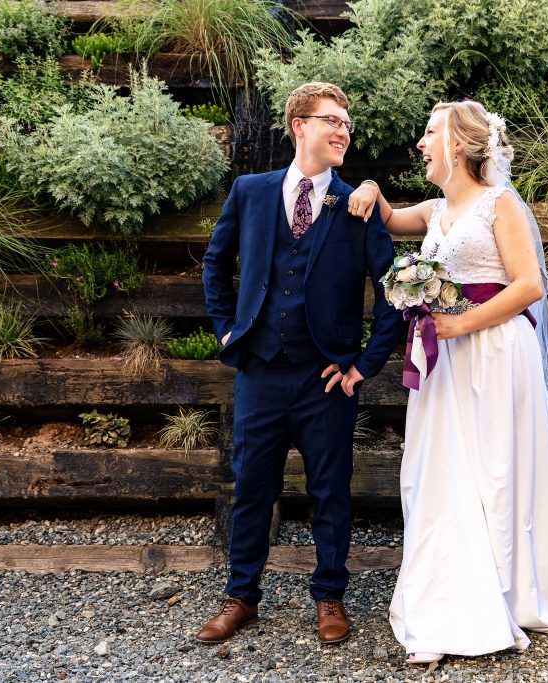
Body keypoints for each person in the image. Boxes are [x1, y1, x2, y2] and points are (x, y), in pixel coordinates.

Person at [347, 101, 548, 664]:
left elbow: (529, 286)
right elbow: (384, 217)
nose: (421, 143)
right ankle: (451, 591)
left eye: (430, 134)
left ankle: (507, 589)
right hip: (447, 360)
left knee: (495, 467)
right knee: (446, 466)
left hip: (497, 351)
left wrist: (458, 324)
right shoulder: (434, 210)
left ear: (457, 145)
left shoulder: (500, 205)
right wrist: (370, 184)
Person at [198, 82, 401, 646]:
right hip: (259, 372)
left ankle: (329, 597)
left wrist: (366, 362)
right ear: (299, 126)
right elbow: (215, 266)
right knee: (252, 488)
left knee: (330, 490)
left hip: (327, 378)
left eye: (347, 123)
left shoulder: (355, 204)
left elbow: (391, 289)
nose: (343, 131)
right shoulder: (251, 191)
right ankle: (241, 597)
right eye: (331, 120)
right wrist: (226, 333)